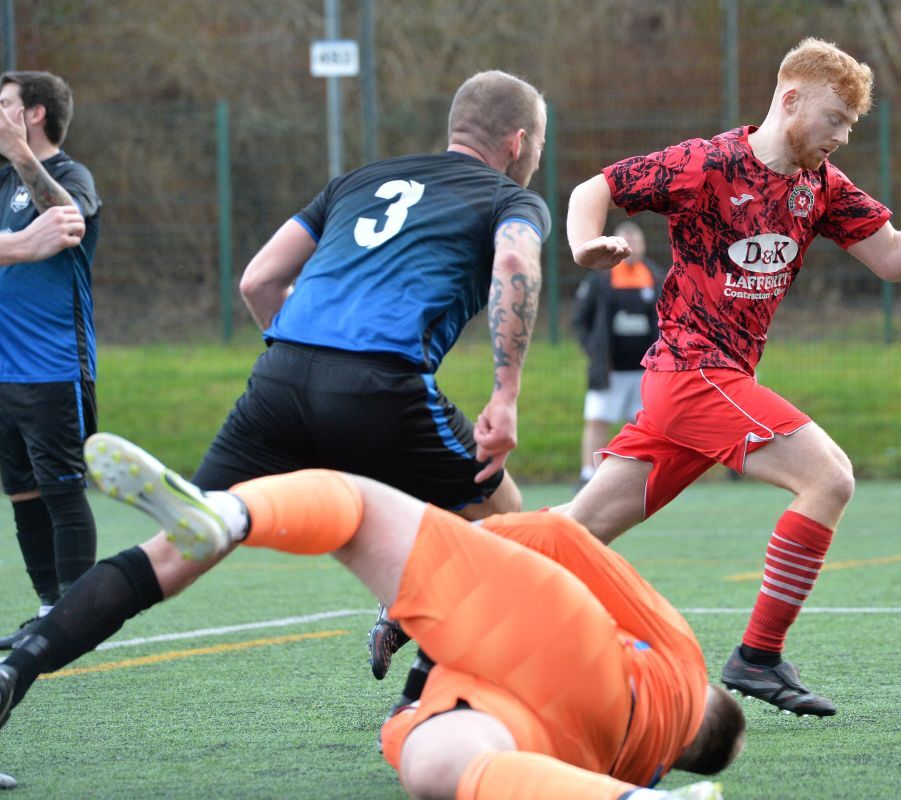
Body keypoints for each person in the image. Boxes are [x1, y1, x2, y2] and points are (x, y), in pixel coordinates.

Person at [0, 70, 549, 713]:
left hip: (280, 380)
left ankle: (16, 671)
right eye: (538, 143)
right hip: (383, 385)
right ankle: (421, 691)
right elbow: (515, 265)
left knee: (184, 546)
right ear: (517, 143)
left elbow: (258, 281)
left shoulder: (360, 180)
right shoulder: (511, 200)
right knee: (506, 518)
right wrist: (505, 394)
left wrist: (309, 376)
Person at [558, 38, 901, 717]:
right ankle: (758, 656)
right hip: (691, 373)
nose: (840, 136)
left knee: (576, 531)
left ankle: (425, 587)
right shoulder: (706, 163)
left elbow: (889, 255)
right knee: (828, 476)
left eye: (850, 127)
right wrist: (584, 242)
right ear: (791, 99)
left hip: (704, 386)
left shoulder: (818, 187)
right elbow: (596, 187)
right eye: (834, 118)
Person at [8, 431, 746, 800]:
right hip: (565, 746)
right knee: (437, 764)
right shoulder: (647, 756)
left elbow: (559, 536)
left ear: (711, 695)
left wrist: (455, 559)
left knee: (353, 506)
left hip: (570, 647)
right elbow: (403, 724)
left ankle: (229, 513)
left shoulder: (681, 659)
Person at [0, 71, 102, 649]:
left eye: (5, 104)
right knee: (22, 493)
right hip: (4, 370)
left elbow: (68, 222)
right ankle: (48, 611)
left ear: (33, 114)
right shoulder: (0, 183)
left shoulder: (70, 175)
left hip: (54, 366)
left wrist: (21, 156)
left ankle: (78, 622)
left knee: (63, 492)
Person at [573, 220, 662, 490]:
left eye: (636, 241)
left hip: (644, 371)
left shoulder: (656, 277)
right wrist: (595, 352)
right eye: (626, 242)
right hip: (609, 371)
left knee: (642, 424)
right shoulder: (600, 280)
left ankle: (640, 477)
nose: (631, 247)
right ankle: (588, 474)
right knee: (598, 418)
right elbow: (580, 320)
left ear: (643, 245)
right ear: (616, 246)